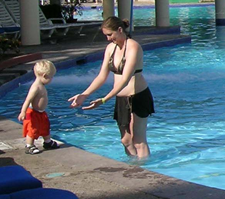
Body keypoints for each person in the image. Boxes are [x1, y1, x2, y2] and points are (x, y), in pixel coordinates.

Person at [69, 16, 153, 160]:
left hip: (138, 96)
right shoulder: (110, 48)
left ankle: (144, 170)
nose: (108, 39)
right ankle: (135, 166)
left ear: (120, 30)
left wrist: (103, 100)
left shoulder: (133, 47)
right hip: (120, 98)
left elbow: (125, 79)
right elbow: (102, 76)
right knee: (126, 141)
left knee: (138, 141)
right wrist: (85, 94)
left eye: (110, 35)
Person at [19, 60, 59, 154]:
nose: (52, 79)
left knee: (45, 127)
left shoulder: (41, 85)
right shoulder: (36, 87)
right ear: (44, 75)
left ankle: (47, 142)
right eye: (51, 77)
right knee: (33, 129)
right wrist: (23, 112)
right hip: (33, 113)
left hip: (40, 112)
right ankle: (29, 145)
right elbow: (27, 100)